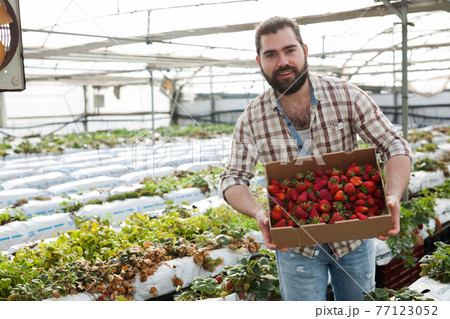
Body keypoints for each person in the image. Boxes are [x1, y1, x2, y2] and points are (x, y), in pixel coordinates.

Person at [219, 16, 411, 301]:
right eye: (271, 54)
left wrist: (392, 195)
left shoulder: (346, 96)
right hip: (296, 247)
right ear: (259, 61)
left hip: (354, 240)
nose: (282, 61)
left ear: (305, 50)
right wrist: (261, 213)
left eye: (290, 50)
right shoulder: (252, 120)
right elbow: (232, 178)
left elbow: (393, 145)